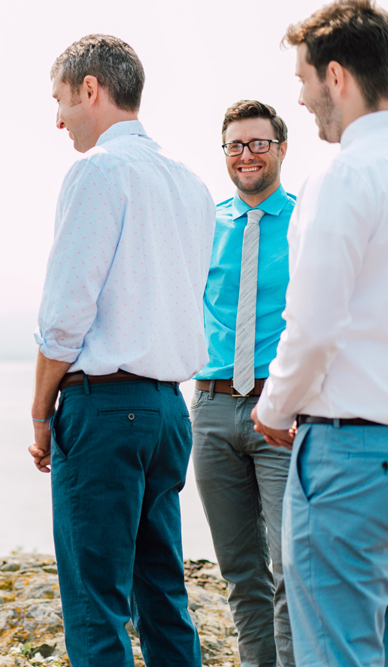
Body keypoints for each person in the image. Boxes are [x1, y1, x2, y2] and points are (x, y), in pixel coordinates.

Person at [28, 34, 215, 667]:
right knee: (163, 592)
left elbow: (65, 315)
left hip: (104, 411)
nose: (59, 119)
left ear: (90, 88)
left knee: (95, 603)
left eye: (61, 99)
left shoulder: (97, 171)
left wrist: (37, 411)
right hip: (168, 412)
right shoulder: (190, 184)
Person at [250, 1, 388, 664]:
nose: (301, 99)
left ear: (337, 76)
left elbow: (314, 324)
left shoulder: (343, 173)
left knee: (338, 649)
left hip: (350, 454)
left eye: (304, 79)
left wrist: (275, 409)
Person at [192, 100, 296, 667]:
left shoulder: (307, 221)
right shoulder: (204, 223)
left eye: (258, 143)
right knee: (239, 570)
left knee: (290, 568)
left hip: (281, 411)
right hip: (210, 408)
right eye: (235, 145)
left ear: (281, 148)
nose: (246, 154)